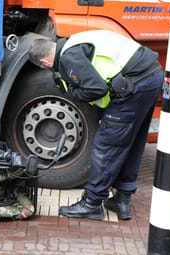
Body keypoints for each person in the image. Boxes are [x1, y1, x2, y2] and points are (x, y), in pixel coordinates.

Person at [28, 30, 163, 221]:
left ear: (44, 63)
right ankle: (122, 199)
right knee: (131, 142)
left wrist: (73, 94)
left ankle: (92, 203)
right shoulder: (74, 41)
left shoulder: (68, 58)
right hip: (150, 76)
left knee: (106, 146)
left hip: (133, 85)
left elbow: (97, 88)